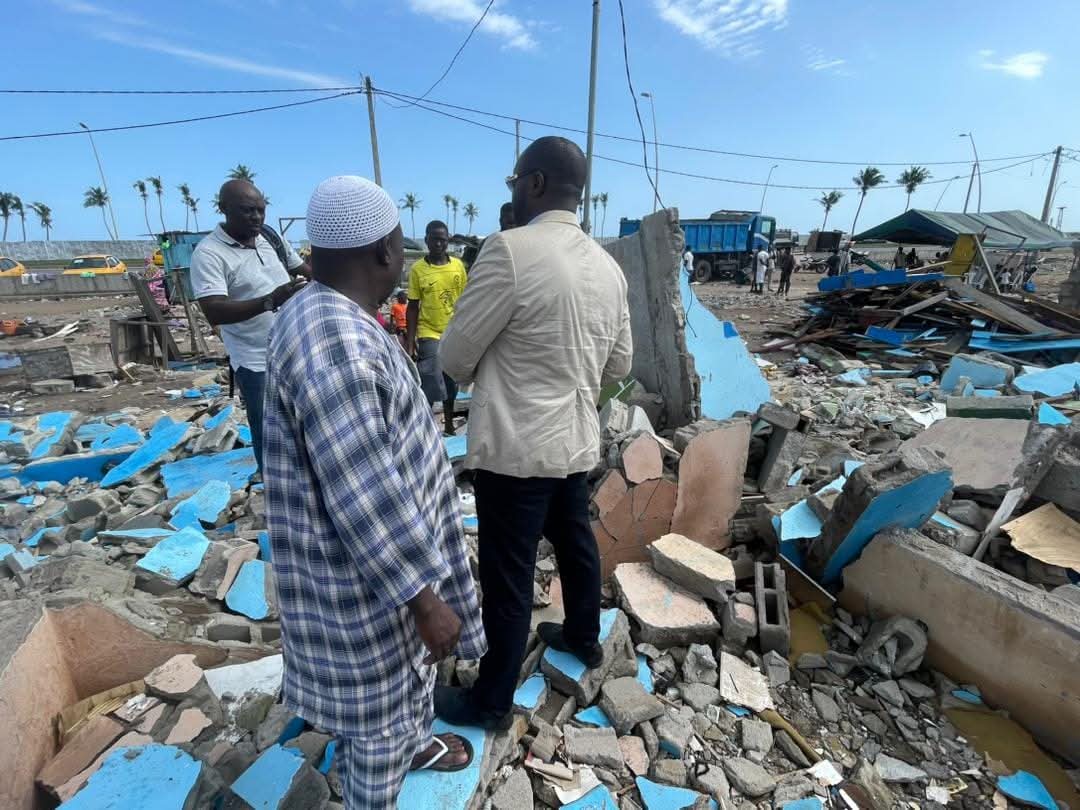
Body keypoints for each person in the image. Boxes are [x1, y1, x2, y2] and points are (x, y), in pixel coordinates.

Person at [263, 176, 485, 809]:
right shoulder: (336, 342)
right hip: (368, 588)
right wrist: (424, 601)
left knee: (405, 688)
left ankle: (415, 743)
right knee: (378, 727)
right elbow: (363, 493)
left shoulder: (322, 312)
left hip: (372, 576)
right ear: (386, 250)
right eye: (401, 245)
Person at [435, 136, 632, 729]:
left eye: (516, 181)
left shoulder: (509, 250)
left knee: (509, 573)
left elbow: (454, 357)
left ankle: (492, 701)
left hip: (516, 448)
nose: (515, 192)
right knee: (575, 544)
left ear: (536, 182)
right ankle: (583, 637)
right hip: (574, 440)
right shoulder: (608, 267)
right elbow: (620, 365)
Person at [189, 179, 310, 477]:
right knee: (268, 428)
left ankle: (304, 479)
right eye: (247, 210)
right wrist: (270, 300)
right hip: (255, 360)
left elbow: (304, 270)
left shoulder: (270, 237)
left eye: (260, 210)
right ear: (223, 209)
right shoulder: (209, 254)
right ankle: (273, 484)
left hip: (295, 349)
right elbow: (214, 309)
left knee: (305, 420)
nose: (256, 217)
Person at [405, 221, 468, 436]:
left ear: (448, 240)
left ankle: (449, 424)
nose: (438, 244)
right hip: (429, 332)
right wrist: (410, 341)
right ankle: (426, 426)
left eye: (442, 240)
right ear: (427, 240)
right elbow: (413, 306)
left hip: (454, 331)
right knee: (430, 378)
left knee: (451, 382)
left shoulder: (458, 266)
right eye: (434, 239)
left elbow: (465, 300)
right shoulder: (418, 269)